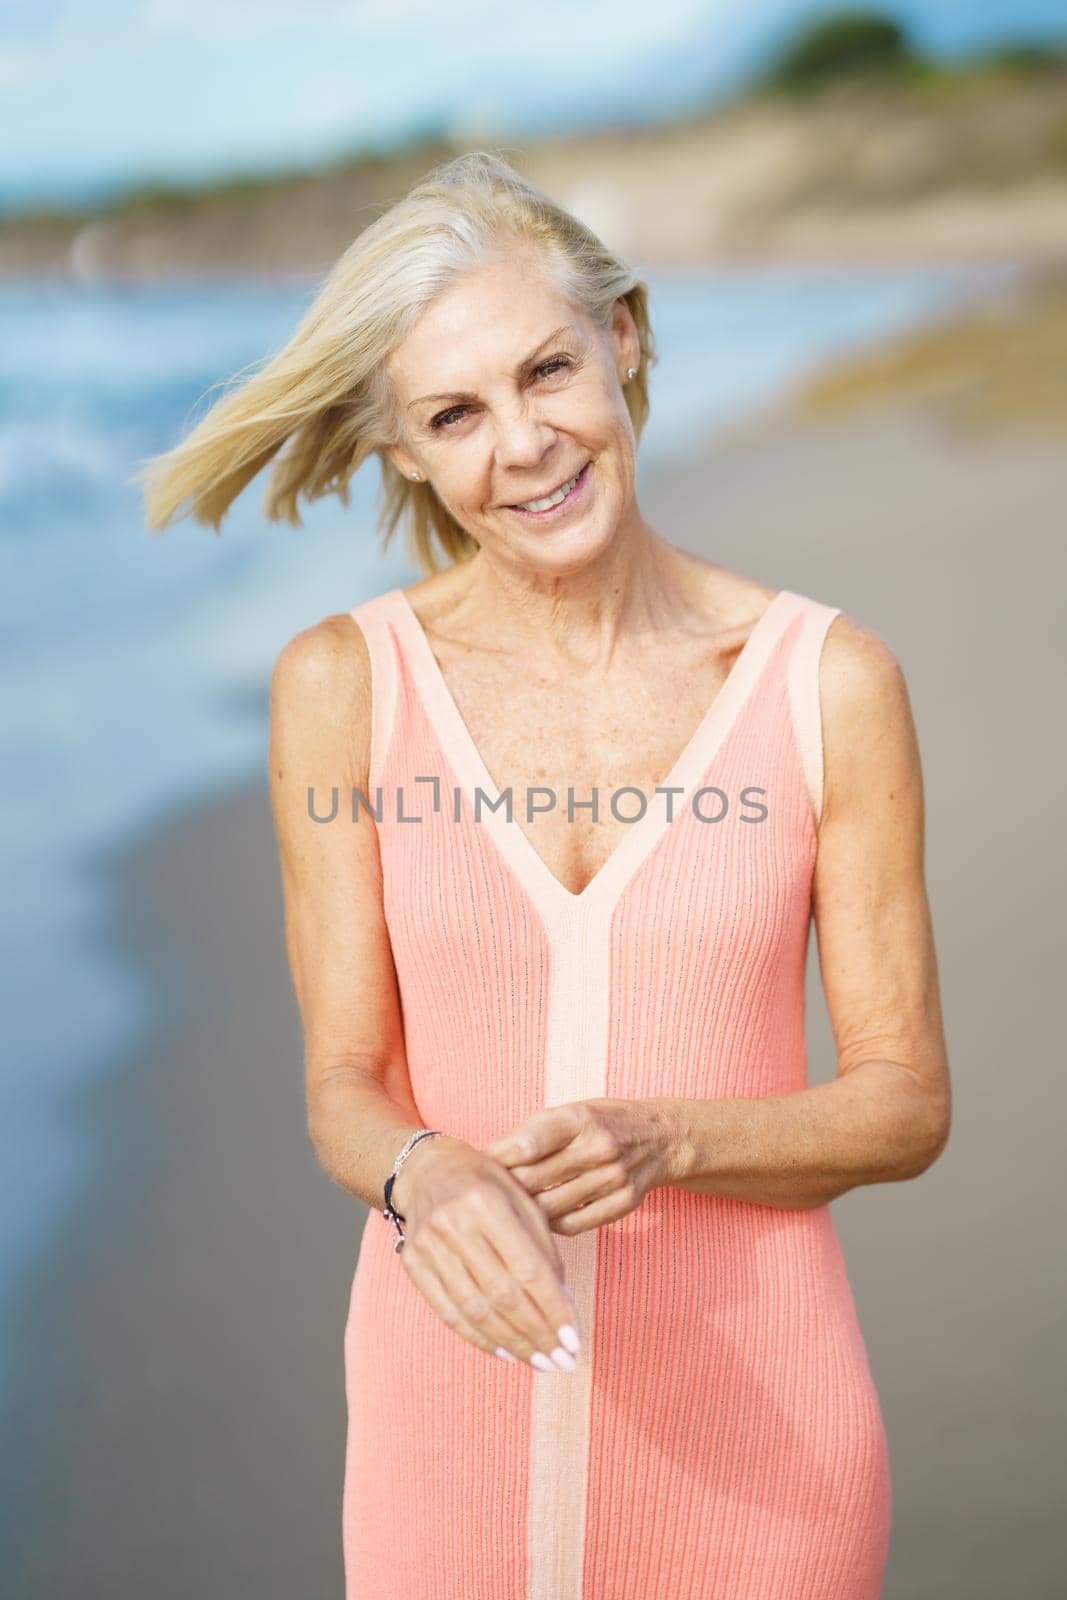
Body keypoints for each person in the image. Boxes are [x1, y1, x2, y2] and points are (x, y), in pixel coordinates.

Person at [137, 150, 951, 1599]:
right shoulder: (345, 688)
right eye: (456, 412)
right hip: (440, 1444)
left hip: (763, 1454)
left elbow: (903, 1102)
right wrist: (421, 1171)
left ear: (622, 340)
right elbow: (344, 1082)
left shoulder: (827, 682)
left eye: (548, 370)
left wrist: (671, 1140)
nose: (524, 443)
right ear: (401, 449)